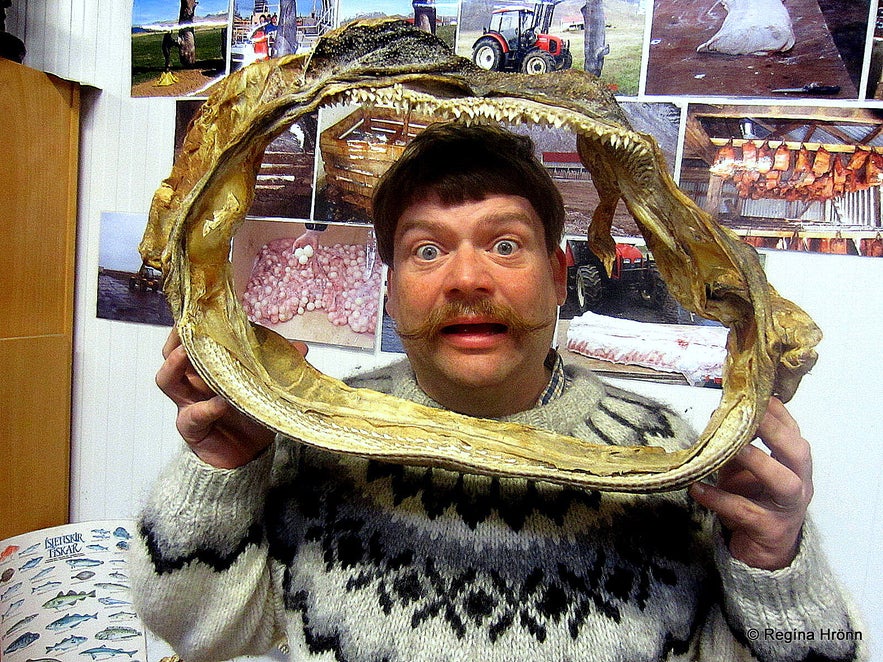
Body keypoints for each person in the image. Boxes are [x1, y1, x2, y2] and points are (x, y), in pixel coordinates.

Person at [131, 123, 866, 661]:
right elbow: (196, 631)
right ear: (390, 293)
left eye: (505, 243)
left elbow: (827, 651)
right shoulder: (303, 443)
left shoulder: (675, 457)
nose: (467, 279)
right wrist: (220, 472)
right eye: (426, 249)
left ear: (556, 275)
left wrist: (776, 565)